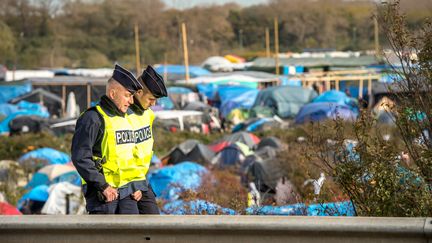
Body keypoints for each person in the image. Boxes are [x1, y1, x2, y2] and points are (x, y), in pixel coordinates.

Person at [71, 64, 142, 214]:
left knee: (132, 237)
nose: (131, 101)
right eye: (127, 95)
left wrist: (137, 185)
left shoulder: (126, 119)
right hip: (104, 195)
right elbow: (80, 157)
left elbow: (132, 157)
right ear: (112, 93)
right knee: (106, 238)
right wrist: (103, 186)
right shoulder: (92, 118)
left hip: (129, 194)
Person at [127, 65, 167, 214]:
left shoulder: (148, 114)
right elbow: (121, 153)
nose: (153, 104)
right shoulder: (124, 115)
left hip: (142, 179)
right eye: (151, 99)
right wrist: (131, 184)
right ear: (139, 92)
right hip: (127, 182)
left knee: (153, 224)